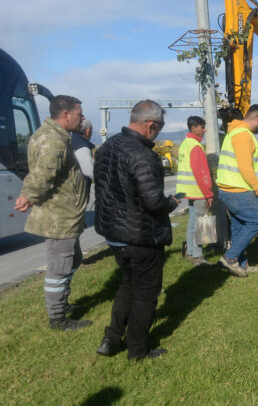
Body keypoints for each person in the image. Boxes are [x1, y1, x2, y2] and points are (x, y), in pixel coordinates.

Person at [94, 100, 179, 360]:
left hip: (115, 234)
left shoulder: (108, 146)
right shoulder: (143, 155)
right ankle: (138, 350)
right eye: (160, 127)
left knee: (127, 285)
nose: (159, 133)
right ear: (150, 124)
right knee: (145, 295)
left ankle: (111, 339)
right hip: (142, 236)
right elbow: (153, 202)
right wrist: (172, 202)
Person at [14, 95, 90, 331]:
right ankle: (58, 318)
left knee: (72, 260)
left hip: (66, 215)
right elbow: (43, 174)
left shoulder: (55, 136)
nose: (82, 118)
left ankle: (62, 304)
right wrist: (29, 195)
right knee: (59, 267)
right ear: (66, 115)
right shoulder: (53, 141)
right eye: (79, 114)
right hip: (59, 217)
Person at [216, 104, 258, 277]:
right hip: (238, 189)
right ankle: (230, 258)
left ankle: (241, 264)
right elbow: (245, 166)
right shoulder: (243, 135)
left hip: (229, 188)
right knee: (257, 221)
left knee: (239, 226)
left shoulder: (234, 132)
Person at [177, 116, 215, 266]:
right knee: (202, 223)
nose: (204, 130)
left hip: (188, 191)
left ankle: (191, 252)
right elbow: (202, 174)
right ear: (194, 128)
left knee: (193, 223)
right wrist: (209, 194)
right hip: (198, 191)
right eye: (202, 127)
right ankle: (198, 258)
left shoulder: (184, 144)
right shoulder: (196, 147)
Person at [71, 119, 95, 191]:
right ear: (88, 131)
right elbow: (90, 171)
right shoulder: (82, 147)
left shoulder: (72, 141)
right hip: (79, 189)